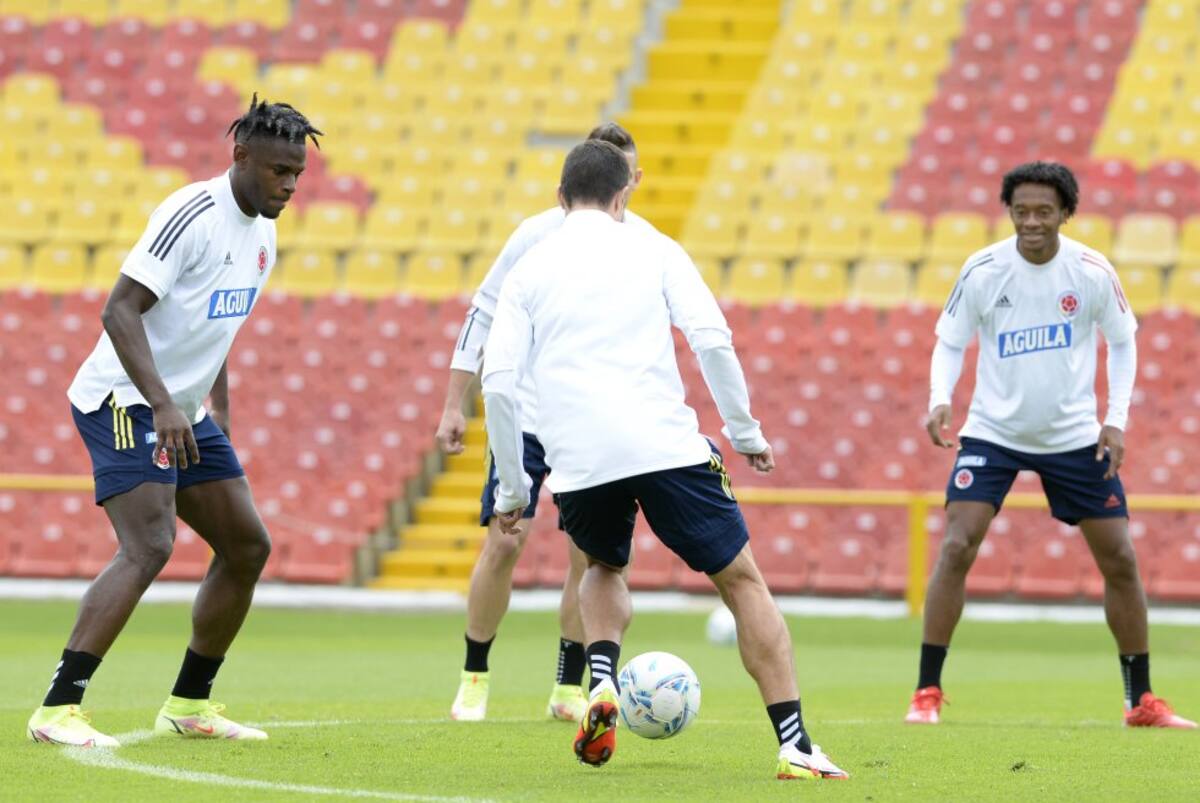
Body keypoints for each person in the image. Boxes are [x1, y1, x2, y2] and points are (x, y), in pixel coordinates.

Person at [481, 140, 849, 779]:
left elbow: (500, 383)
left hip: (579, 455)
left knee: (599, 565)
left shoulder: (529, 269)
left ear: (562, 197)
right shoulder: (654, 248)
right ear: (623, 194)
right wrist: (745, 431)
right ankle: (794, 744)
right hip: (663, 443)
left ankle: (601, 681)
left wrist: (514, 489)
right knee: (741, 582)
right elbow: (711, 339)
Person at [27, 95, 321, 747]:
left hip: (181, 411)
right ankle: (57, 708)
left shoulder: (265, 234)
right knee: (150, 544)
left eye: (297, 173)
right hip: (122, 400)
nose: (290, 185)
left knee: (247, 545)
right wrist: (161, 402)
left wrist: (219, 412)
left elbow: (214, 327)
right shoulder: (190, 215)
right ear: (240, 155)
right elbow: (119, 310)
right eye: (279, 170)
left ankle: (190, 703)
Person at [907, 161, 1195, 729]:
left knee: (1120, 558)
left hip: (1074, 436)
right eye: (1021, 212)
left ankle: (1140, 700)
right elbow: (950, 341)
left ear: (1066, 213)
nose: (1031, 222)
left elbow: (1124, 343)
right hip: (993, 431)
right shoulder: (985, 270)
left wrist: (1116, 421)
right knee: (957, 545)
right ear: (1009, 212)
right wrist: (941, 396)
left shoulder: (1089, 270)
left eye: (1043, 211)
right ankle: (926, 692)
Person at [438, 123, 655, 723]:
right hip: (530, 414)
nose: (625, 184)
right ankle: (475, 676)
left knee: (588, 556)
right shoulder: (535, 235)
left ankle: (567, 686)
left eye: (632, 173)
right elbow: (481, 312)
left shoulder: (643, 244)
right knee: (505, 540)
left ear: (636, 180)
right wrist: (455, 402)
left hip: (593, 422)